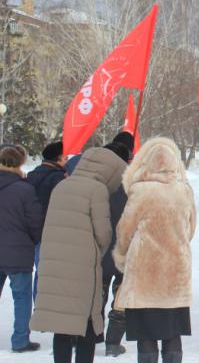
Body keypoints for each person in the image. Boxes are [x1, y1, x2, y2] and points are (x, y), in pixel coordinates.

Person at [31, 144, 129, 363]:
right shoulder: (97, 190)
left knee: (63, 325)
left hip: (57, 263)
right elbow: (103, 234)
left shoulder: (62, 185)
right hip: (84, 266)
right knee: (86, 323)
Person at [112, 138, 196, 363]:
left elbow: (125, 230)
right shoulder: (184, 190)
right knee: (173, 331)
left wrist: (121, 255)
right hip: (175, 271)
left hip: (144, 272)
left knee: (145, 332)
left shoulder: (140, 190)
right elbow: (191, 227)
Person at [0, 145, 43, 353]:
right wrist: (35, 240)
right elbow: (35, 221)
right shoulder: (24, 189)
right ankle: (20, 340)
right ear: (19, 163)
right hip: (17, 251)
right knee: (21, 297)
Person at [101, 132, 135, 357]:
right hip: (125, 247)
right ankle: (113, 341)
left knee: (96, 292)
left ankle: (89, 334)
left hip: (100, 246)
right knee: (121, 295)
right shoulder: (133, 181)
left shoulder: (95, 178)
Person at [25, 141, 67, 223]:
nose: (67, 162)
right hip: (51, 223)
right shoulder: (59, 177)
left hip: (31, 222)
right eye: (66, 159)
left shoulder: (32, 174)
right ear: (59, 158)